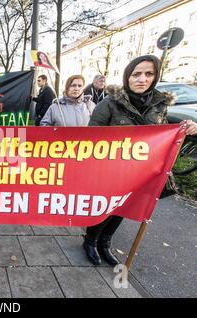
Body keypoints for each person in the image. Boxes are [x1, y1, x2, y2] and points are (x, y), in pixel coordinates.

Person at [83, 55, 197, 266]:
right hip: (111, 171)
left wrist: (188, 128)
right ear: (128, 76)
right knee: (106, 208)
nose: (142, 79)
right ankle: (90, 241)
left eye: (149, 74)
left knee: (124, 208)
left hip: (141, 173)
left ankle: (105, 243)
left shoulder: (160, 104)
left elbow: (165, 132)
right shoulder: (109, 104)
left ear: (155, 77)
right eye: (136, 74)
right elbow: (91, 140)